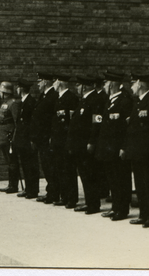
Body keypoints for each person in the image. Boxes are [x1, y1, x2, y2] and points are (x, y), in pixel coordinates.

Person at [122, 72, 149, 228]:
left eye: (133, 83)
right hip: (137, 151)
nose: (131, 87)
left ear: (139, 83)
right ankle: (144, 214)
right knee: (140, 184)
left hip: (147, 151)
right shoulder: (138, 102)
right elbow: (131, 128)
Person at [95, 70, 133, 221]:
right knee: (113, 179)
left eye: (106, 83)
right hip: (109, 149)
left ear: (111, 84)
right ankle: (115, 207)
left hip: (118, 148)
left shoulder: (125, 100)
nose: (104, 85)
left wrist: (124, 147)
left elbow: (127, 128)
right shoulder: (110, 100)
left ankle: (122, 209)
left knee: (121, 179)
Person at [66, 75, 104, 215]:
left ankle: (93, 204)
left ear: (84, 86)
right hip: (80, 145)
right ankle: (90, 202)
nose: (77, 87)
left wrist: (92, 142)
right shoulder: (85, 100)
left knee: (90, 175)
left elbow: (96, 123)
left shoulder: (95, 100)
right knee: (85, 175)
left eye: (78, 85)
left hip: (86, 145)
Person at [49, 73, 79, 208]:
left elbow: (71, 122)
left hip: (65, 141)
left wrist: (70, 141)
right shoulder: (58, 98)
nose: (53, 84)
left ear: (60, 83)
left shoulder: (70, 98)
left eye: (55, 81)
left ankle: (71, 198)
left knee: (68, 171)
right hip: (58, 141)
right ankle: (64, 196)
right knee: (61, 170)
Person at [31, 72, 59, 203]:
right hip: (42, 138)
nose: (38, 84)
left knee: (50, 167)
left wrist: (51, 136)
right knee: (46, 166)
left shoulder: (53, 96)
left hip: (47, 138)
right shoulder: (44, 95)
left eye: (40, 81)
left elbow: (53, 119)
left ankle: (53, 193)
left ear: (46, 82)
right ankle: (50, 191)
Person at [13, 78, 38, 199]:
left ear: (21, 88)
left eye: (18, 87)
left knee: (31, 166)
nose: (17, 89)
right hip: (22, 140)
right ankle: (28, 188)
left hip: (28, 140)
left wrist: (32, 139)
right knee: (25, 165)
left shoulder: (30, 102)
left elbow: (32, 123)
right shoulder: (23, 102)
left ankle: (33, 190)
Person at [0, 81, 20, 194]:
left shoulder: (13, 103)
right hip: (3, 136)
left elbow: (16, 121)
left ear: (5, 92)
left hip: (8, 136)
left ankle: (13, 185)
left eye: (0, 91)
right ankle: (11, 184)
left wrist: (14, 137)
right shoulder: (4, 102)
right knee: (9, 161)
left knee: (12, 161)